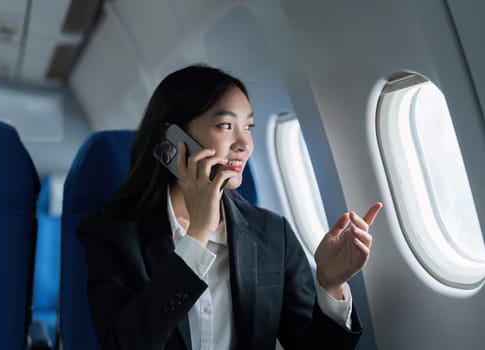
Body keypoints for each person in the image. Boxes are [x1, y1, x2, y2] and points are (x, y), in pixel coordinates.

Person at [77, 64, 382, 350]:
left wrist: (330, 284)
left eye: (248, 126)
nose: (244, 143)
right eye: (225, 125)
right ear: (173, 138)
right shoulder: (113, 234)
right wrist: (197, 236)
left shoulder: (273, 234)